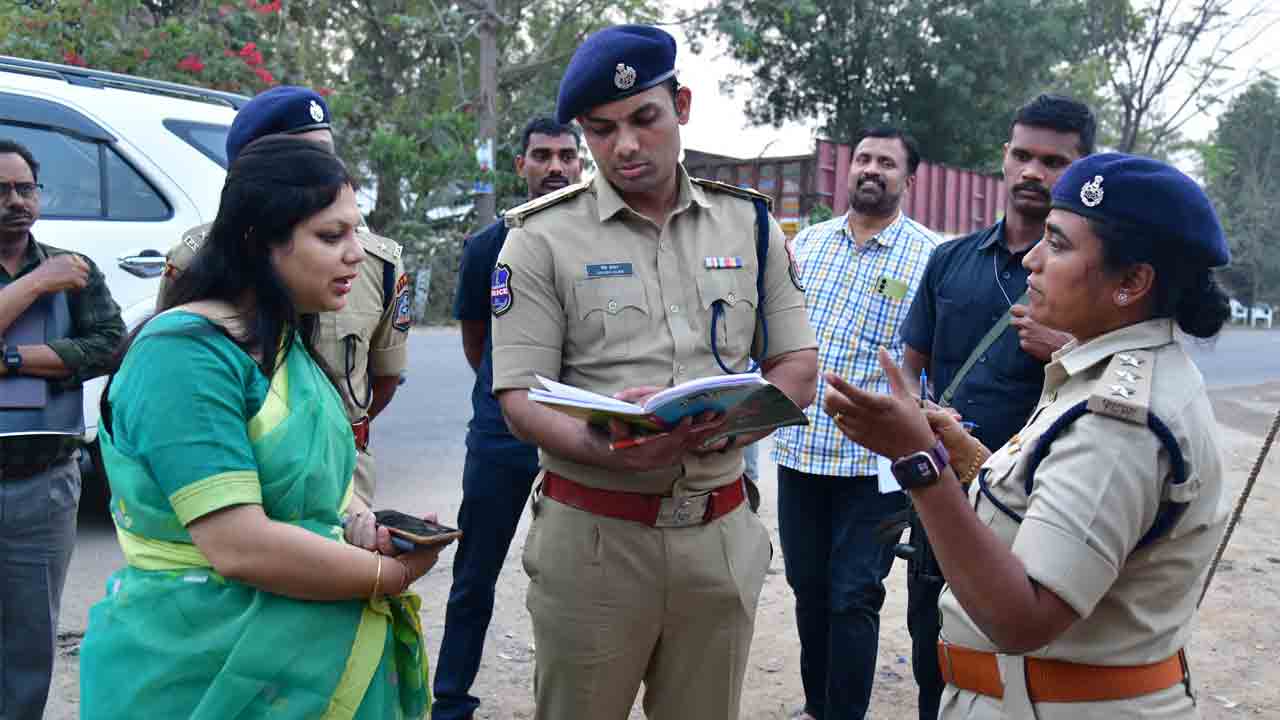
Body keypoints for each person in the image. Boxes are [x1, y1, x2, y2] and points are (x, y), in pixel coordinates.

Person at [823, 152, 1232, 719]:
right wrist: (961, 455)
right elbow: (1046, 508)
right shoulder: (1100, 373)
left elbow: (1023, 616)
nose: (1033, 261)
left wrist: (919, 461)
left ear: (1132, 282)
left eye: (1059, 245)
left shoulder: (1119, 421)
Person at [490, 24, 819, 719]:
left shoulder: (751, 226)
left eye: (645, 118)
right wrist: (608, 445)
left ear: (683, 106)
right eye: (602, 129)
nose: (627, 145)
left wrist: (721, 433)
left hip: (719, 536)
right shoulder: (538, 239)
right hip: (594, 544)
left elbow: (796, 368)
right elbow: (518, 399)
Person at [79, 136, 445, 719]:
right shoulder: (184, 356)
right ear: (256, 241)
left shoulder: (281, 340)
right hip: (199, 666)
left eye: (357, 231)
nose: (357, 254)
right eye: (332, 236)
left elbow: (320, 484)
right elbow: (238, 545)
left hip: (305, 652)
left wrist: (360, 522)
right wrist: (387, 573)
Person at [897, 93, 1095, 720]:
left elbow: (1130, 377)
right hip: (951, 496)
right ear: (1003, 160)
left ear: (1084, 171)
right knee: (937, 653)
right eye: (1023, 155)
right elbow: (912, 366)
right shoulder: (949, 260)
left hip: (1048, 500)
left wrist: (1067, 349)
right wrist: (916, 420)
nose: (1034, 171)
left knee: (1037, 660)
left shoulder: (1098, 278)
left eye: (1055, 161)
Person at [159, 86, 409, 507]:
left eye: (326, 155)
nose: (319, 172)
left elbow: (382, 380)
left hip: (341, 474)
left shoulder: (376, 263)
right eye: (294, 160)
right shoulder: (194, 268)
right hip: (233, 477)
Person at [770, 126, 937, 720]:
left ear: (908, 181)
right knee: (807, 590)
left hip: (874, 463)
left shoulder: (930, 258)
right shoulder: (807, 245)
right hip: (800, 449)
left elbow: (931, 364)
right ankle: (819, 705)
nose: (872, 169)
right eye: (864, 159)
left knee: (853, 596)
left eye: (887, 163)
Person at [433, 116, 584, 720]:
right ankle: (450, 701)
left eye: (566, 156)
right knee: (475, 574)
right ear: (519, 165)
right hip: (501, 438)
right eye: (542, 155)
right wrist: (512, 400)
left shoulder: (601, 241)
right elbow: (478, 344)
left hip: (582, 437)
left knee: (575, 580)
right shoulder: (485, 247)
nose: (555, 166)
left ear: (580, 164)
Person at [0, 139, 124, 720]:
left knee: (29, 644)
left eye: (25, 189)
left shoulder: (78, 271)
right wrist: (35, 285)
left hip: (43, 485)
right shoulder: (55, 276)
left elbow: (109, 347)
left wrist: (18, 360)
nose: (15, 201)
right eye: (1, 191)